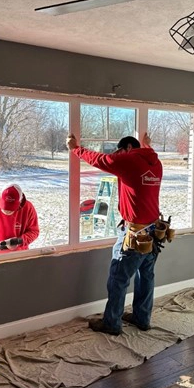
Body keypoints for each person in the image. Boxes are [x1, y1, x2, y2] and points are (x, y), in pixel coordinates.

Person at [66, 132, 163, 335]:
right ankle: (142, 318)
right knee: (146, 276)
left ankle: (112, 323)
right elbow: (146, 153)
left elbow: (100, 159)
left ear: (127, 148)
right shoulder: (155, 162)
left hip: (135, 233)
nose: (118, 156)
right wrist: (146, 145)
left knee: (118, 278)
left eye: (119, 151)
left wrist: (75, 148)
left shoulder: (130, 160)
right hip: (153, 232)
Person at [0, 184, 39, 253]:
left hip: (19, 254)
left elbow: (34, 231)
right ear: (0, 198)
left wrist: (19, 241)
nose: (7, 211)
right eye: (4, 206)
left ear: (20, 202)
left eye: (11, 208)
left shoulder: (28, 208)